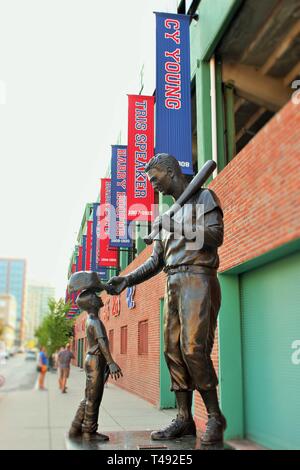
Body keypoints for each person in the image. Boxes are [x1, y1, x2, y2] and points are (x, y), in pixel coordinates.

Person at [107, 153, 226, 445]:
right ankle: (185, 418)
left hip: (199, 277)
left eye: (154, 178)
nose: (152, 185)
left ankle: (214, 416)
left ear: (171, 171)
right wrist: (127, 279)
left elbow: (215, 236)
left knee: (193, 349)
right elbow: (155, 262)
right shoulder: (166, 215)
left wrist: (174, 225)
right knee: (172, 351)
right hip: (171, 281)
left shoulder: (204, 198)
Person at [68, 289, 122, 441]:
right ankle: (89, 432)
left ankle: (75, 427)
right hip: (96, 360)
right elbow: (102, 342)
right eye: (95, 296)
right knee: (94, 397)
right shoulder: (95, 321)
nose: (99, 297)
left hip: (94, 360)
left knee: (89, 396)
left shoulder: (90, 320)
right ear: (91, 303)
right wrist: (111, 362)